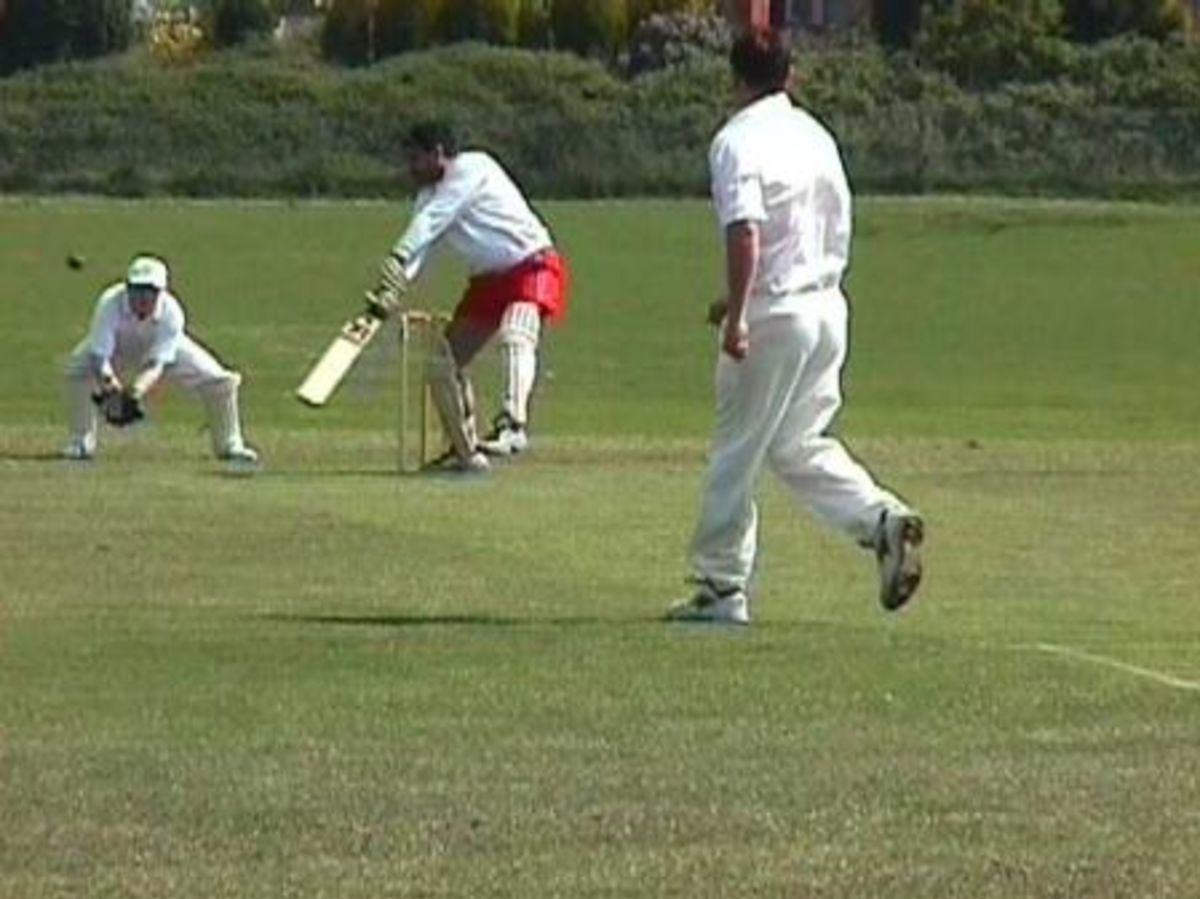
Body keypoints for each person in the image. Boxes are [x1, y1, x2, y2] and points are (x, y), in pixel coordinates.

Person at [667, 28, 924, 625]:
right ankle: (882, 521)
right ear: (792, 76)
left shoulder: (735, 141)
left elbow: (746, 231)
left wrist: (738, 315)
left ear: (734, 78)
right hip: (827, 307)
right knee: (797, 443)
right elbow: (826, 228)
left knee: (738, 450)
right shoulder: (816, 136)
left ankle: (720, 587)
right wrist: (741, 297)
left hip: (774, 316)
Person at [367, 120, 570, 472]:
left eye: (416, 159)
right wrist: (392, 287)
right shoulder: (428, 197)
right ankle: (465, 454)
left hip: (531, 263)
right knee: (439, 365)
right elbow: (423, 245)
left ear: (439, 153)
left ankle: (512, 425)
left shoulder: (473, 168)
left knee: (516, 334)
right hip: (488, 281)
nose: (410, 168)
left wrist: (397, 259)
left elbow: (429, 224)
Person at [62, 254, 259, 465]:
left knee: (221, 381)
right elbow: (99, 357)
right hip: (117, 349)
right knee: (77, 370)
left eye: (150, 291)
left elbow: (155, 365)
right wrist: (112, 390)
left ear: (161, 292)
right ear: (127, 287)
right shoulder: (109, 303)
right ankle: (81, 442)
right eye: (137, 290)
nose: (142, 298)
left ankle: (230, 445)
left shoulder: (172, 312)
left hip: (161, 351)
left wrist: (133, 395)